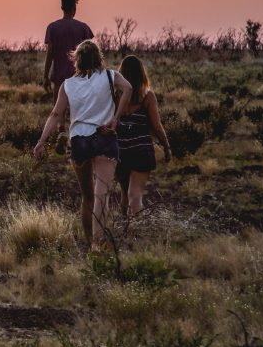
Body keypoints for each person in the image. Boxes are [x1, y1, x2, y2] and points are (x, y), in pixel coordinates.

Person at [34, 40, 132, 251]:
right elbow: (128, 89)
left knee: (87, 197)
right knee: (101, 195)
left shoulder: (67, 85)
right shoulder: (109, 76)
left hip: (79, 141)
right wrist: (115, 118)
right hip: (105, 137)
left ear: (76, 60)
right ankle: (97, 243)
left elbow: (55, 114)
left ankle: (90, 243)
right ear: (99, 58)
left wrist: (41, 142)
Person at [114, 55, 171, 216]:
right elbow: (157, 126)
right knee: (135, 195)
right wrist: (167, 148)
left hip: (120, 152)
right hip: (141, 152)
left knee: (125, 194)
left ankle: (123, 232)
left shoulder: (116, 97)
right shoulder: (147, 96)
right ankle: (134, 233)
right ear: (142, 73)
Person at [43, 0, 94, 150]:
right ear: (74, 8)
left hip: (59, 74)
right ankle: (77, 138)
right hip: (80, 76)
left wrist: (45, 76)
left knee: (59, 109)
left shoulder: (52, 27)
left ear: (61, 7)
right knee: (79, 108)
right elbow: (91, 54)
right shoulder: (83, 28)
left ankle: (61, 134)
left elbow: (50, 54)